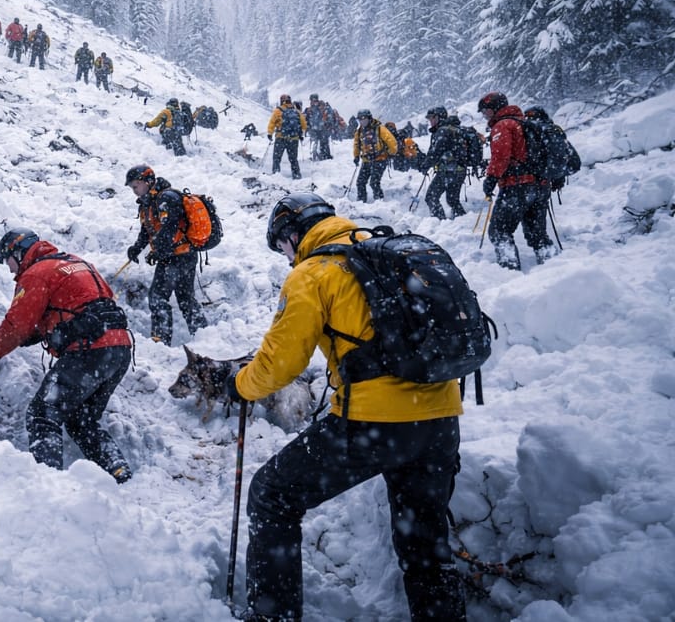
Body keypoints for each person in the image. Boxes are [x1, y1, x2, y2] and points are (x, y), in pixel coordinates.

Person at [226, 194, 465, 620]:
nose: (285, 255)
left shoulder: (314, 272)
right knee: (425, 542)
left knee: (272, 496)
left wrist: (240, 386)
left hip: (375, 422)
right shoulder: (387, 254)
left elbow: (280, 363)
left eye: (282, 245)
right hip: (440, 418)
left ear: (292, 234)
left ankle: (272, 615)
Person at [0, 229, 132, 483]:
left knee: (42, 413)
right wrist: (39, 334)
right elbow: (81, 306)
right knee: (81, 420)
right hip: (118, 348)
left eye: (7, 260)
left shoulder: (36, 274)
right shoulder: (76, 262)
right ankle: (118, 470)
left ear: (18, 252)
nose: (9, 270)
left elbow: (16, 325)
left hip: (88, 352)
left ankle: (48, 482)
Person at [123, 164, 207, 345]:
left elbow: (170, 226)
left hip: (176, 257)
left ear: (148, 181)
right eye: (132, 188)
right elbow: (148, 230)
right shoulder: (148, 203)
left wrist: (158, 251)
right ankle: (204, 334)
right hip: (180, 255)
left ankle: (160, 340)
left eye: (136, 186)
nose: (134, 191)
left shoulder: (166, 198)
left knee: (158, 297)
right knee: (185, 298)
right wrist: (137, 248)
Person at [478, 92, 552, 268]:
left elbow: (501, 156)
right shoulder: (527, 124)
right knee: (538, 234)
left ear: (494, 108)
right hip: (540, 186)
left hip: (516, 186)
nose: (484, 115)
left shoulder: (503, 125)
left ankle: (509, 269)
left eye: (486, 111)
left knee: (499, 230)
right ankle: (553, 266)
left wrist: (491, 178)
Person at [422, 107, 467, 220]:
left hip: (448, 171)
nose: (430, 121)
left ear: (438, 117)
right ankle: (462, 221)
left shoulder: (442, 131)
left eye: (431, 118)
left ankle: (439, 222)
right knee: (452, 200)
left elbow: (435, 152)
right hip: (459, 171)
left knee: (431, 196)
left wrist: (425, 165)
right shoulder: (451, 129)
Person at [352, 109, 397, 202]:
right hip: (366, 161)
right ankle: (361, 201)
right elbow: (356, 144)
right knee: (360, 182)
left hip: (380, 159)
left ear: (369, 118)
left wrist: (390, 153)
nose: (362, 121)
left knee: (374, 182)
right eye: (360, 119)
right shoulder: (359, 132)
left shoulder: (380, 128)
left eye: (363, 119)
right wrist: (356, 156)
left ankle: (379, 201)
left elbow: (392, 142)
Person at [267, 93, 308, 179]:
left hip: (281, 138)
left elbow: (272, 123)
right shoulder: (296, 111)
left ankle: (276, 175)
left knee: (277, 158)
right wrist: (301, 134)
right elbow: (304, 124)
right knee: (293, 159)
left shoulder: (277, 111)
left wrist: (270, 133)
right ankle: (296, 175)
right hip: (294, 139)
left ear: (281, 101)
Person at [306, 94, 334, 160]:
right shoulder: (323, 107)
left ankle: (316, 155)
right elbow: (330, 116)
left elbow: (306, 118)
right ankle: (323, 155)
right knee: (323, 142)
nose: (313, 101)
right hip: (321, 128)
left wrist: (308, 126)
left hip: (318, 128)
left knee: (316, 142)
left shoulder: (311, 109)